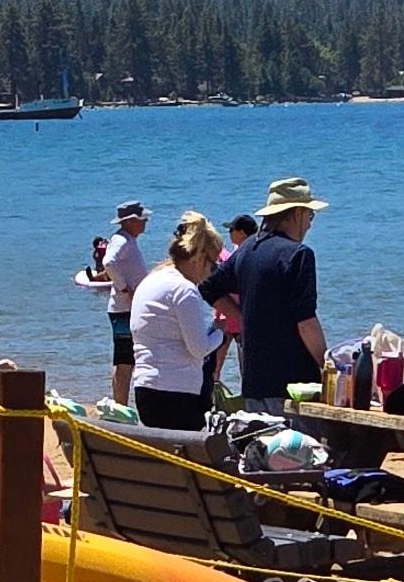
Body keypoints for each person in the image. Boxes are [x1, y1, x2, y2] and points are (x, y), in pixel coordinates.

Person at [222, 176, 329, 404]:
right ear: (297, 213)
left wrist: (242, 317)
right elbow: (306, 322)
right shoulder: (298, 255)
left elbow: (209, 286)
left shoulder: (247, 248)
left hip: (254, 381)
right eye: (310, 215)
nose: (310, 223)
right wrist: (328, 366)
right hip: (295, 386)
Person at [124, 213, 229, 431]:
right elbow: (199, 349)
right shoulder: (184, 290)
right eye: (213, 266)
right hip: (177, 394)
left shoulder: (151, 280)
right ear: (200, 258)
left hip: (145, 388)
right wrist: (220, 330)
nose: (211, 273)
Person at [77, 202, 151, 394]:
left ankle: (120, 403)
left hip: (127, 308)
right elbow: (109, 262)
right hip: (123, 309)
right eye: (143, 219)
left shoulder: (127, 240)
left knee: (127, 361)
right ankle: (120, 405)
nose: (146, 222)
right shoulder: (121, 240)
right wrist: (124, 288)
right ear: (131, 221)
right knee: (125, 362)